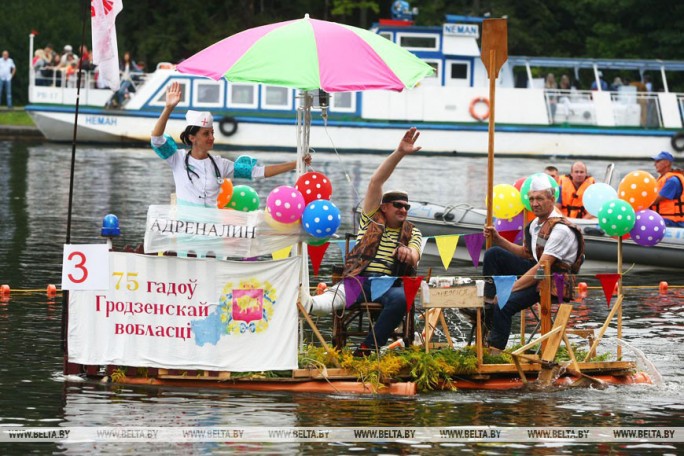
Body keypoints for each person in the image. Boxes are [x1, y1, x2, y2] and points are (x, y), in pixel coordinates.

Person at [301, 128, 423, 356]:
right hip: (358, 279)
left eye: (407, 206)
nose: (403, 209)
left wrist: (409, 253)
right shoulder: (370, 221)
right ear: (384, 207)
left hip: (387, 284)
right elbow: (376, 182)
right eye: (398, 205)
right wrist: (399, 152)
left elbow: (416, 253)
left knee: (401, 297)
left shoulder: (412, 232)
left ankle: (365, 350)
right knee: (325, 304)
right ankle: (307, 302)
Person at [150, 81, 311, 207]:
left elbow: (259, 172)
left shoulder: (221, 165)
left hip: (211, 232)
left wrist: (296, 163)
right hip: (186, 232)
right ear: (192, 138)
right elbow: (157, 140)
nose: (212, 137)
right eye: (206, 134)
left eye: (212, 132)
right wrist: (168, 108)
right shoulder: (176, 158)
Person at [482, 175, 584, 353]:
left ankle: (495, 354)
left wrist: (510, 289)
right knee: (494, 254)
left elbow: (542, 267)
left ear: (552, 199)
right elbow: (527, 254)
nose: (535, 203)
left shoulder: (561, 229)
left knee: (504, 304)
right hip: (538, 272)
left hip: (553, 280)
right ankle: (488, 304)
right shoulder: (534, 225)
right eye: (531, 199)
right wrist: (498, 240)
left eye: (539, 199)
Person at [650, 151, 684, 227]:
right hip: (663, 219)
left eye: (658, 161)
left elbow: (654, 200)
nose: (655, 164)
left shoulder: (672, 181)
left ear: (667, 163)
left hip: (672, 222)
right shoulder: (661, 179)